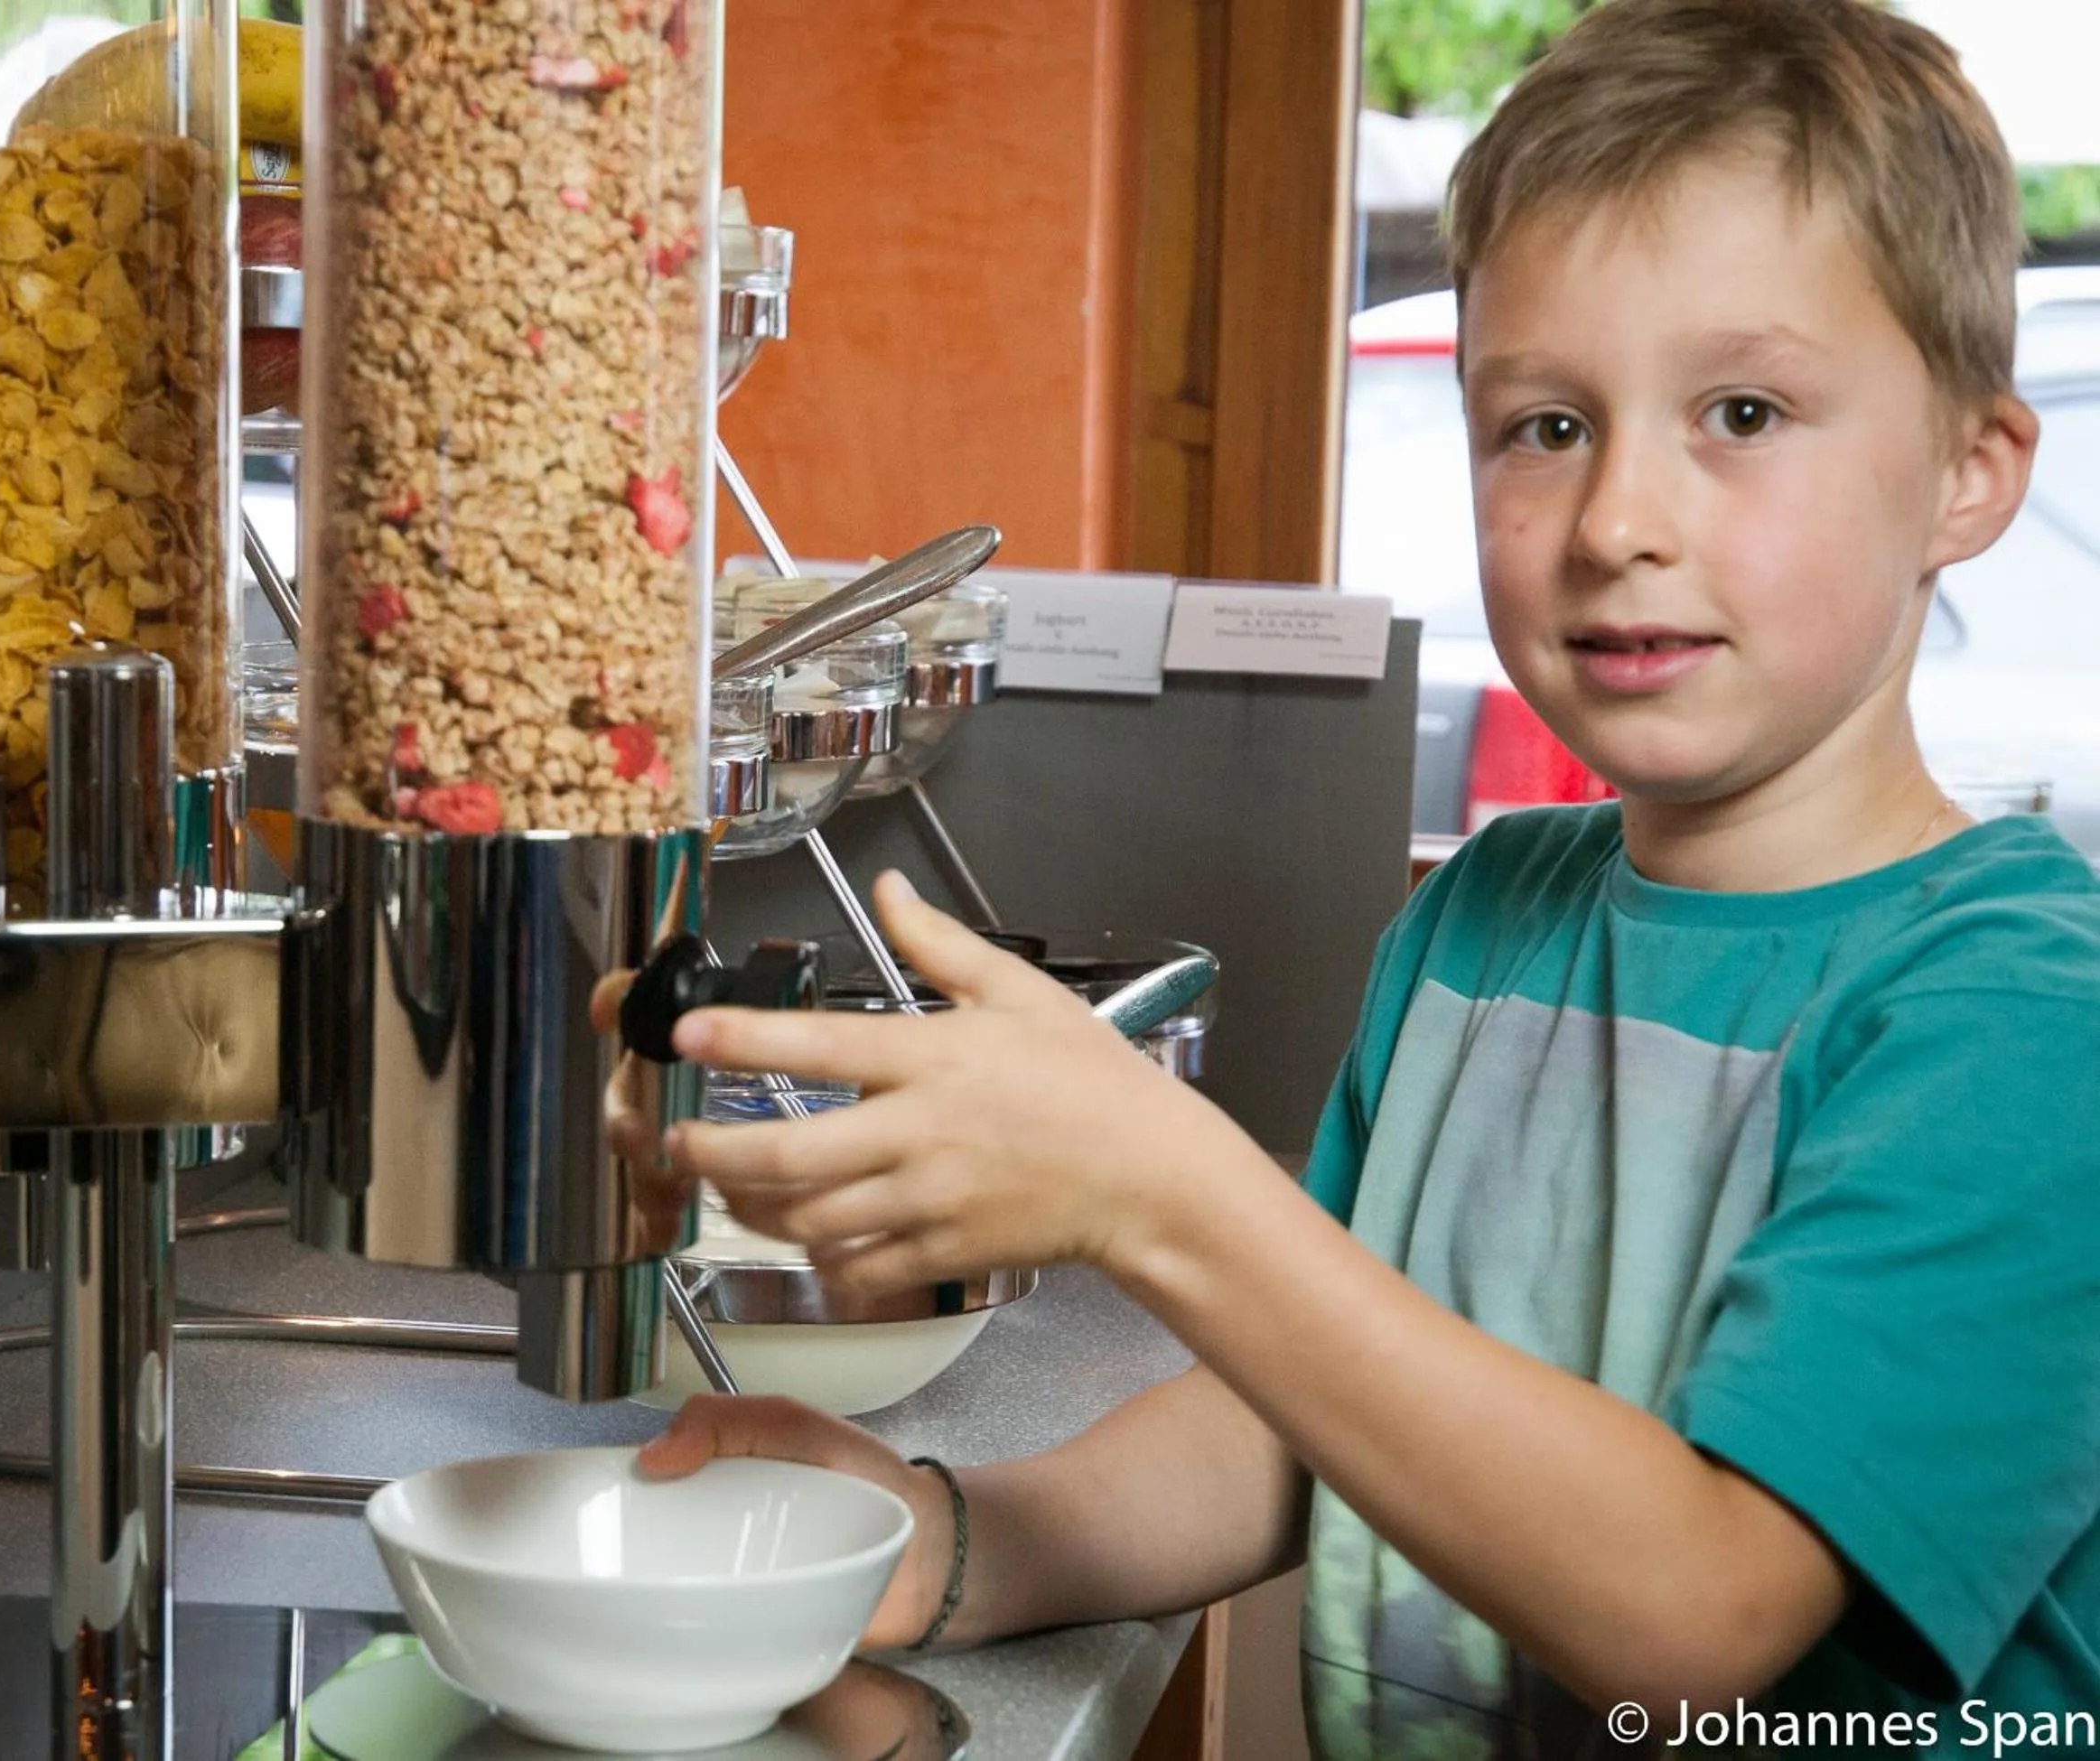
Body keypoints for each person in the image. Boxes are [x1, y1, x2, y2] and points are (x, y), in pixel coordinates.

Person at [637, 1, 2100, 1752]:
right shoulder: (1484, 923)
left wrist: (1159, 1189)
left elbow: (1700, 1621)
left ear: (1967, 471)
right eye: (1543, 425)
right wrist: (949, 1541)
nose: (1617, 513)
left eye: (1741, 409)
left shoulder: (2019, 1021)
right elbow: (1300, 1411)